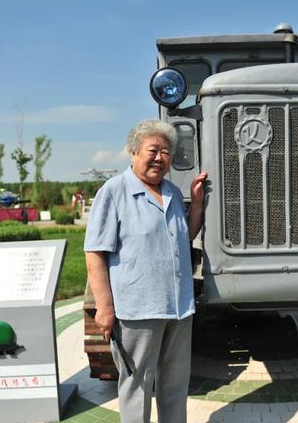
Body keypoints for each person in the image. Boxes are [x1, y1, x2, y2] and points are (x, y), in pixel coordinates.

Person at [84, 119, 207, 423]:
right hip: (137, 312)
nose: (159, 158)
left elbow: (186, 236)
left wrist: (198, 203)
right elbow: (95, 253)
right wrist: (105, 307)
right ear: (134, 152)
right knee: (137, 387)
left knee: (175, 386)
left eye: (166, 152)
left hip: (178, 308)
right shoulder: (113, 192)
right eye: (153, 150)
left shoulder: (172, 193)